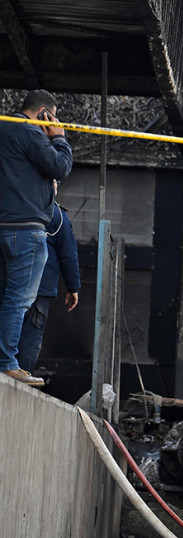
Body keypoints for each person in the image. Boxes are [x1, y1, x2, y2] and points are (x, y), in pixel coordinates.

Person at [0, 89, 73, 387]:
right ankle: (6, 363)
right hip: (25, 229)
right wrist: (58, 138)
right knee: (19, 300)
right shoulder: (30, 132)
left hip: (4, 223)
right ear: (44, 114)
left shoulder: (5, 129)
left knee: (6, 295)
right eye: (53, 117)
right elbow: (60, 167)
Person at [17, 187, 79, 373]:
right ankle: (21, 379)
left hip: (12, 283)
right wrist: (73, 287)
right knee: (31, 334)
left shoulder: (15, 207)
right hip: (40, 289)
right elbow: (68, 254)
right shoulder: (58, 215)